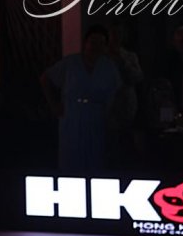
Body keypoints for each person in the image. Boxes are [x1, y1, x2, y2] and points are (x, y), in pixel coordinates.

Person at [40, 25, 122, 173]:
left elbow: (116, 91)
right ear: (85, 43)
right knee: (70, 156)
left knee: (95, 157)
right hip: (72, 112)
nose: (96, 47)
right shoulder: (71, 62)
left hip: (96, 114)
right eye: (93, 42)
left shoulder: (108, 67)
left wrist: (110, 115)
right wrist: (54, 105)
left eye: (101, 43)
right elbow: (46, 78)